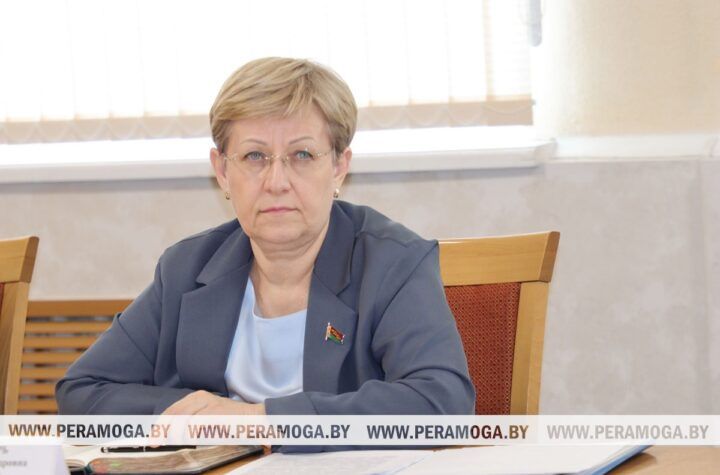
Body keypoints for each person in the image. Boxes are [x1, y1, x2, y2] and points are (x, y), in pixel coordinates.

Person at [56, 57, 474, 436]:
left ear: (338, 167)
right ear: (222, 171)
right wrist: (204, 418)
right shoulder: (185, 268)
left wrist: (262, 421)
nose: (276, 182)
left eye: (302, 155)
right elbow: (82, 392)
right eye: (255, 156)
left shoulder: (393, 262)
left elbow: (442, 402)